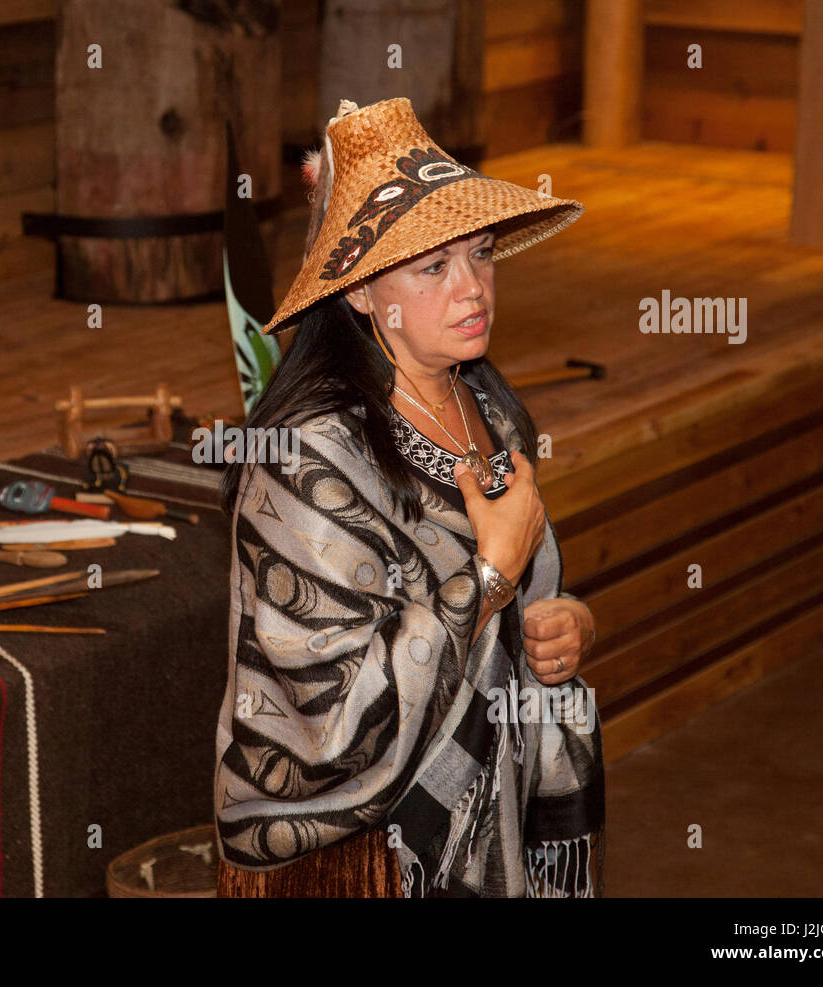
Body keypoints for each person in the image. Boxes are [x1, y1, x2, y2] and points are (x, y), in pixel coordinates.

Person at [213, 97, 606, 898]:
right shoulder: (308, 456)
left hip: (478, 823)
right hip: (355, 855)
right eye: (434, 267)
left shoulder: (487, 410)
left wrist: (565, 627)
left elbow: (531, 582)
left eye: (482, 254)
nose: (473, 289)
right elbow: (337, 727)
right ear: (359, 293)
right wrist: (489, 580)